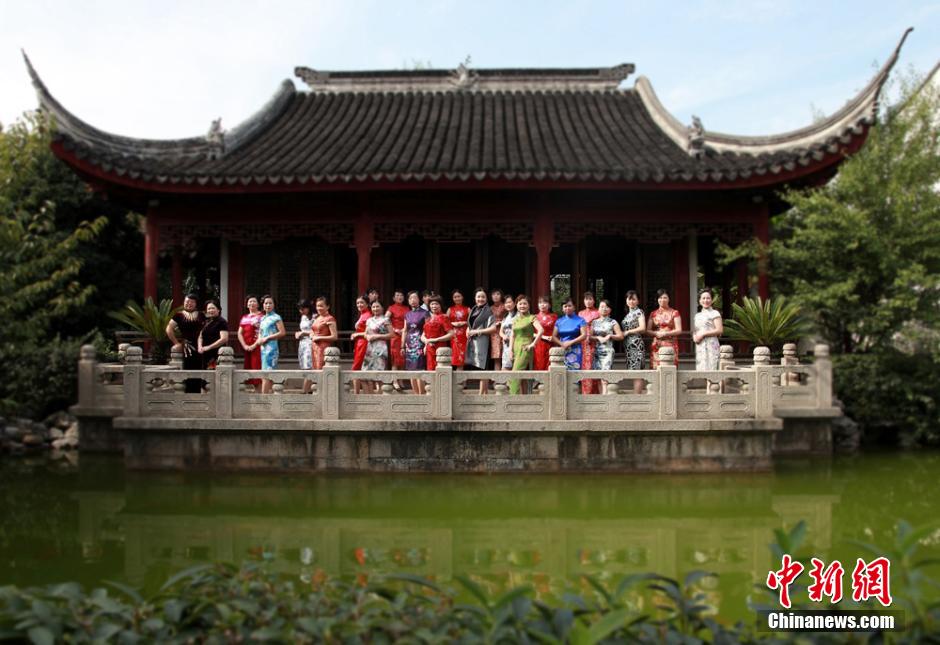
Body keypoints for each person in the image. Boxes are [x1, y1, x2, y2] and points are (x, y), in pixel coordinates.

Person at [166, 293, 205, 393]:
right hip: (187, 346)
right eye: (187, 301)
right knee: (189, 367)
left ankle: (200, 391)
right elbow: (169, 329)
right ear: (184, 302)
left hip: (202, 345)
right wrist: (176, 343)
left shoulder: (201, 315)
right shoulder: (178, 315)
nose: (189, 304)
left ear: (196, 303)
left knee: (202, 367)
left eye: (192, 302)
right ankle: (189, 392)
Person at [508, 295, 544, 395]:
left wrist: (533, 344)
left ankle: (513, 398)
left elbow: (541, 330)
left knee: (514, 375)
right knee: (521, 374)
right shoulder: (515, 320)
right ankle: (524, 397)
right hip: (516, 348)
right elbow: (512, 335)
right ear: (516, 305)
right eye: (520, 304)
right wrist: (510, 350)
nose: (522, 306)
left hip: (525, 348)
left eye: (524, 303)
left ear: (528, 305)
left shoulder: (532, 317)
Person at [465, 288, 497, 394]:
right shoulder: (474, 309)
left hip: (483, 342)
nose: (480, 299)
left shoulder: (488, 310)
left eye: (483, 297)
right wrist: (468, 329)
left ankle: (482, 393)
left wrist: (478, 331)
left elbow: (493, 328)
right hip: (473, 342)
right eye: (478, 297)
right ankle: (483, 392)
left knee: (483, 367)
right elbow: (470, 324)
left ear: (486, 298)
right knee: (477, 367)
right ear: (475, 298)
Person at [590, 300, 624, 393]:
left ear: (610, 310)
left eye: (606, 307)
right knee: (598, 374)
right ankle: (601, 397)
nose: (604, 309)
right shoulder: (594, 322)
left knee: (605, 374)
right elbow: (590, 337)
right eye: (601, 306)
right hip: (597, 351)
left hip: (608, 350)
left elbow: (620, 336)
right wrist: (597, 337)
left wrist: (610, 336)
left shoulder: (613, 322)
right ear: (598, 309)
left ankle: (605, 397)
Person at [402, 291, 430, 394]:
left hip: (420, 344)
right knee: (410, 370)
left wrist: (426, 344)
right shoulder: (407, 314)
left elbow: (428, 330)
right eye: (410, 298)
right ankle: (415, 395)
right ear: (408, 301)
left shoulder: (425, 313)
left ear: (419, 299)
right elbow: (405, 330)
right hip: (409, 345)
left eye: (415, 298)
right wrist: (402, 346)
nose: (412, 300)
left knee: (420, 369)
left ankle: (421, 395)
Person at [257, 295, 286, 394]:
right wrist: (259, 340)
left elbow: (282, 332)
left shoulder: (276, 317)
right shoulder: (262, 318)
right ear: (263, 305)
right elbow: (260, 332)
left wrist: (267, 338)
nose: (268, 305)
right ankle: (267, 396)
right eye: (266, 303)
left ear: (274, 305)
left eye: (270, 303)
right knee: (264, 373)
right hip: (262, 348)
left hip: (271, 348)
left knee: (267, 373)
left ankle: (264, 398)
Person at [363, 301, 394, 392]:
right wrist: (367, 336)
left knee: (379, 374)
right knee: (365, 374)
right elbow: (365, 333)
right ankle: (369, 397)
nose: (375, 309)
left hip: (381, 348)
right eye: (373, 307)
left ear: (382, 308)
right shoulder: (369, 320)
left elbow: (392, 334)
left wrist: (377, 336)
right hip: (370, 348)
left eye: (377, 306)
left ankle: (380, 398)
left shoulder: (385, 319)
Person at [621, 290, 647, 393]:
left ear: (638, 301)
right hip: (628, 345)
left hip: (636, 344)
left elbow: (643, 328)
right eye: (629, 299)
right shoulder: (628, 314)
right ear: (626, 300)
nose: (631, 301)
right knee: (632, 370)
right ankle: (636, 396)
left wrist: (628, 332)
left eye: (634, 299)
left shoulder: (639, 312)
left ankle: (637, 396)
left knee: (637, 371)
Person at [649, 289, 682, 368]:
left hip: (671, 344)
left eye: (665, 297)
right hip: (657, 344)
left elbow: (679, 330)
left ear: (669, 299)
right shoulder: (653, 314)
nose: (662, 300)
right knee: (656, 368)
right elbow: (648, 330)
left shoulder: (674, 312)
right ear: (657, 299)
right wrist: (656, 333)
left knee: (670, 368)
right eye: (660, 298)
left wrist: (666, 333)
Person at [552, 298, 587, 370]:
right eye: (565, 306)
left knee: (574, 373)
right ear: (562, 308)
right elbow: (554, 336)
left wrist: (570, 342)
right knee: (562, 373)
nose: (567, 308)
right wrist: (562, 344)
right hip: (563, 349)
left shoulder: (580, 320)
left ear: (574, 307)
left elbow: (584, 335)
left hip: (575, 350)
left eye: (569, 306)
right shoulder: (559, 321)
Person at [238, 295, 264, 391]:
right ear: (247, 305)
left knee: (257, 369)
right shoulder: (244, 317)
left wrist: (254, 345)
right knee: (250, 370)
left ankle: (260, 394)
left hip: (258, 347)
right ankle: (256, 393)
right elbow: (239, 333)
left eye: (254, 301)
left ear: (258, 304)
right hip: (247, 348)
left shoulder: (261, 316)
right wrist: (244, 345)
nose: (251, 303)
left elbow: (263, 332)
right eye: (250, 301)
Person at [693, 288, 723, 371]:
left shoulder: (715, 313)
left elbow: (719, 330)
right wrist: (694, 336)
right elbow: (696, 330)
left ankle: (713, 384)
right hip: (700, 344)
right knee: (702, 369)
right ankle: (707, 384)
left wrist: (703, 334)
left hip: (711, 344)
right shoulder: (697, 315)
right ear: (699, 301)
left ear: (711, 300)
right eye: (703, 298)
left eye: (708, 298)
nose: (706, 300)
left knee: (712, 367)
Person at [421, 296, 454, 370]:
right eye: (432, 304)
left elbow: (451, 334)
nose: (434, 306)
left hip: (440, 349)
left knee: (440, 371)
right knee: (430, 371)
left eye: (436, 304)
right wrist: (426, 342)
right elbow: (423, 335)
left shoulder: (444, 317)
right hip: (429, 349)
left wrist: (436, 339)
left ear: (440, 305)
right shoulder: (429, 318)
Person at [579, 292, 601, 394]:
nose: (588, 301)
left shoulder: (598, 312)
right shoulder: (580, 313)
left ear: (594, 300)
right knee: (585, 365)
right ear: (584, 301)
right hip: (583, 342)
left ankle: (596, 391)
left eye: (590, 299)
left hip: (595, 341)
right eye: (586, 299)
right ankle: (586, 392)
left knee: (594, 364)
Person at [197, 299, 229, 370]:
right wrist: (199, 346)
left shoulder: (222, 322)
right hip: (204, 353)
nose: (211, 310)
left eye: (213, 308)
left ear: (218, 310)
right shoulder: (206, 321)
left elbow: (224, 339)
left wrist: (209, 347)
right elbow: (200, 336)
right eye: (209, 309)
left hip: (216, 353)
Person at [349, 297, 372, 394]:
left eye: (362, 303)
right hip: (359, 343)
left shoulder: (368, 315)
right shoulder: (362, 315)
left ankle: (358, 394)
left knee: (357, 368)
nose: (359, 305)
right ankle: (357, 393)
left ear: (367, 304)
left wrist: (357, 334)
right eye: (357, 303)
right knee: (358, 368)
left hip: (364, 343)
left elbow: (370, 332)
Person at [310, 296, 338, 370]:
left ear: (327, 307)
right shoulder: (317, 318)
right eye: (317, 306)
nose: (319, 308)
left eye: (321, 306)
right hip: (314, 346)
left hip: (323, 347)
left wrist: (319, 337)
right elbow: (312, 330)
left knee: (320, 368)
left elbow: (334, 336)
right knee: (314, 368)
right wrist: (311, 335)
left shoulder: (330, 318)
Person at [387, 290, 410, 377]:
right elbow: (385, 320)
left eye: (401, 295)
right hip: (395, 336)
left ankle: (401, 380)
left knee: (403, 358)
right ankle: (395, 380)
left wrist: (404, 330)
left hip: (405, 335)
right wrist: (394, 329)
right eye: (397, 295)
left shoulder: (407, 308)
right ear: (393, 298)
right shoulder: (391, 308)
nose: (399, 297)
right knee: (395, 360)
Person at [533, 295, 558, 370]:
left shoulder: (554, 316)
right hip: (538, 344)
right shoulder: (534, 317)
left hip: (551, 343)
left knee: (551, 364)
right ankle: (538, 381)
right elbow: (531, 333)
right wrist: (543, 336)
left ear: (549, 305)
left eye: (545, 302)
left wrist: (553, 337)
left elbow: (557, 330)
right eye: (540, 302)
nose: (542, 304)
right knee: (538, 364)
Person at [447, 290, 470, 369]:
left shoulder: (468, 309)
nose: (457, 298)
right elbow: (445, 322)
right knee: (456, 355)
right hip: (454, 335)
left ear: (462, 297)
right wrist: (453, 324)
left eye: (458, 296)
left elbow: (472, 322)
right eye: (455, 297)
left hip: (464, 335)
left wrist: (464, 323)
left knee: (463, 356)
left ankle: (461, 376)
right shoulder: (450, 309)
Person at [499, 295, 518, 371]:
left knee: (516, 368)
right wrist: (503, 336)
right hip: (506, 345)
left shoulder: (518, 315)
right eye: (506, 303)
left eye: (510, 302)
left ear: (514, 303)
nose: (508, 304)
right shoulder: (505, 316)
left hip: (516, 344)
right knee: (505, 368)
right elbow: (501, 331)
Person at [295, 299, 314, 371]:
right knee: (303, 363)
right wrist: (298, 333)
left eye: (303, 309)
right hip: (302, 342)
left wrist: (304, 333)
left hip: (310, 342)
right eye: (300, 309)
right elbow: (303, 329)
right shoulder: (303, 317)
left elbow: (316, 331)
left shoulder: (314, 317)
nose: (301, 311)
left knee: (308, 364)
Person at [489, 288, 505, 369]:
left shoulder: (505, 306)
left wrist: (502, 322)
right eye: (493, 294)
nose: (495, 296)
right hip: (494, 333)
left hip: (505, 331)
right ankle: (497, 379)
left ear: (501, 296)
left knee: (506, 354)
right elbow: (487, 321)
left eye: (498, 294)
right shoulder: (490, 308)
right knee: (497, 356)